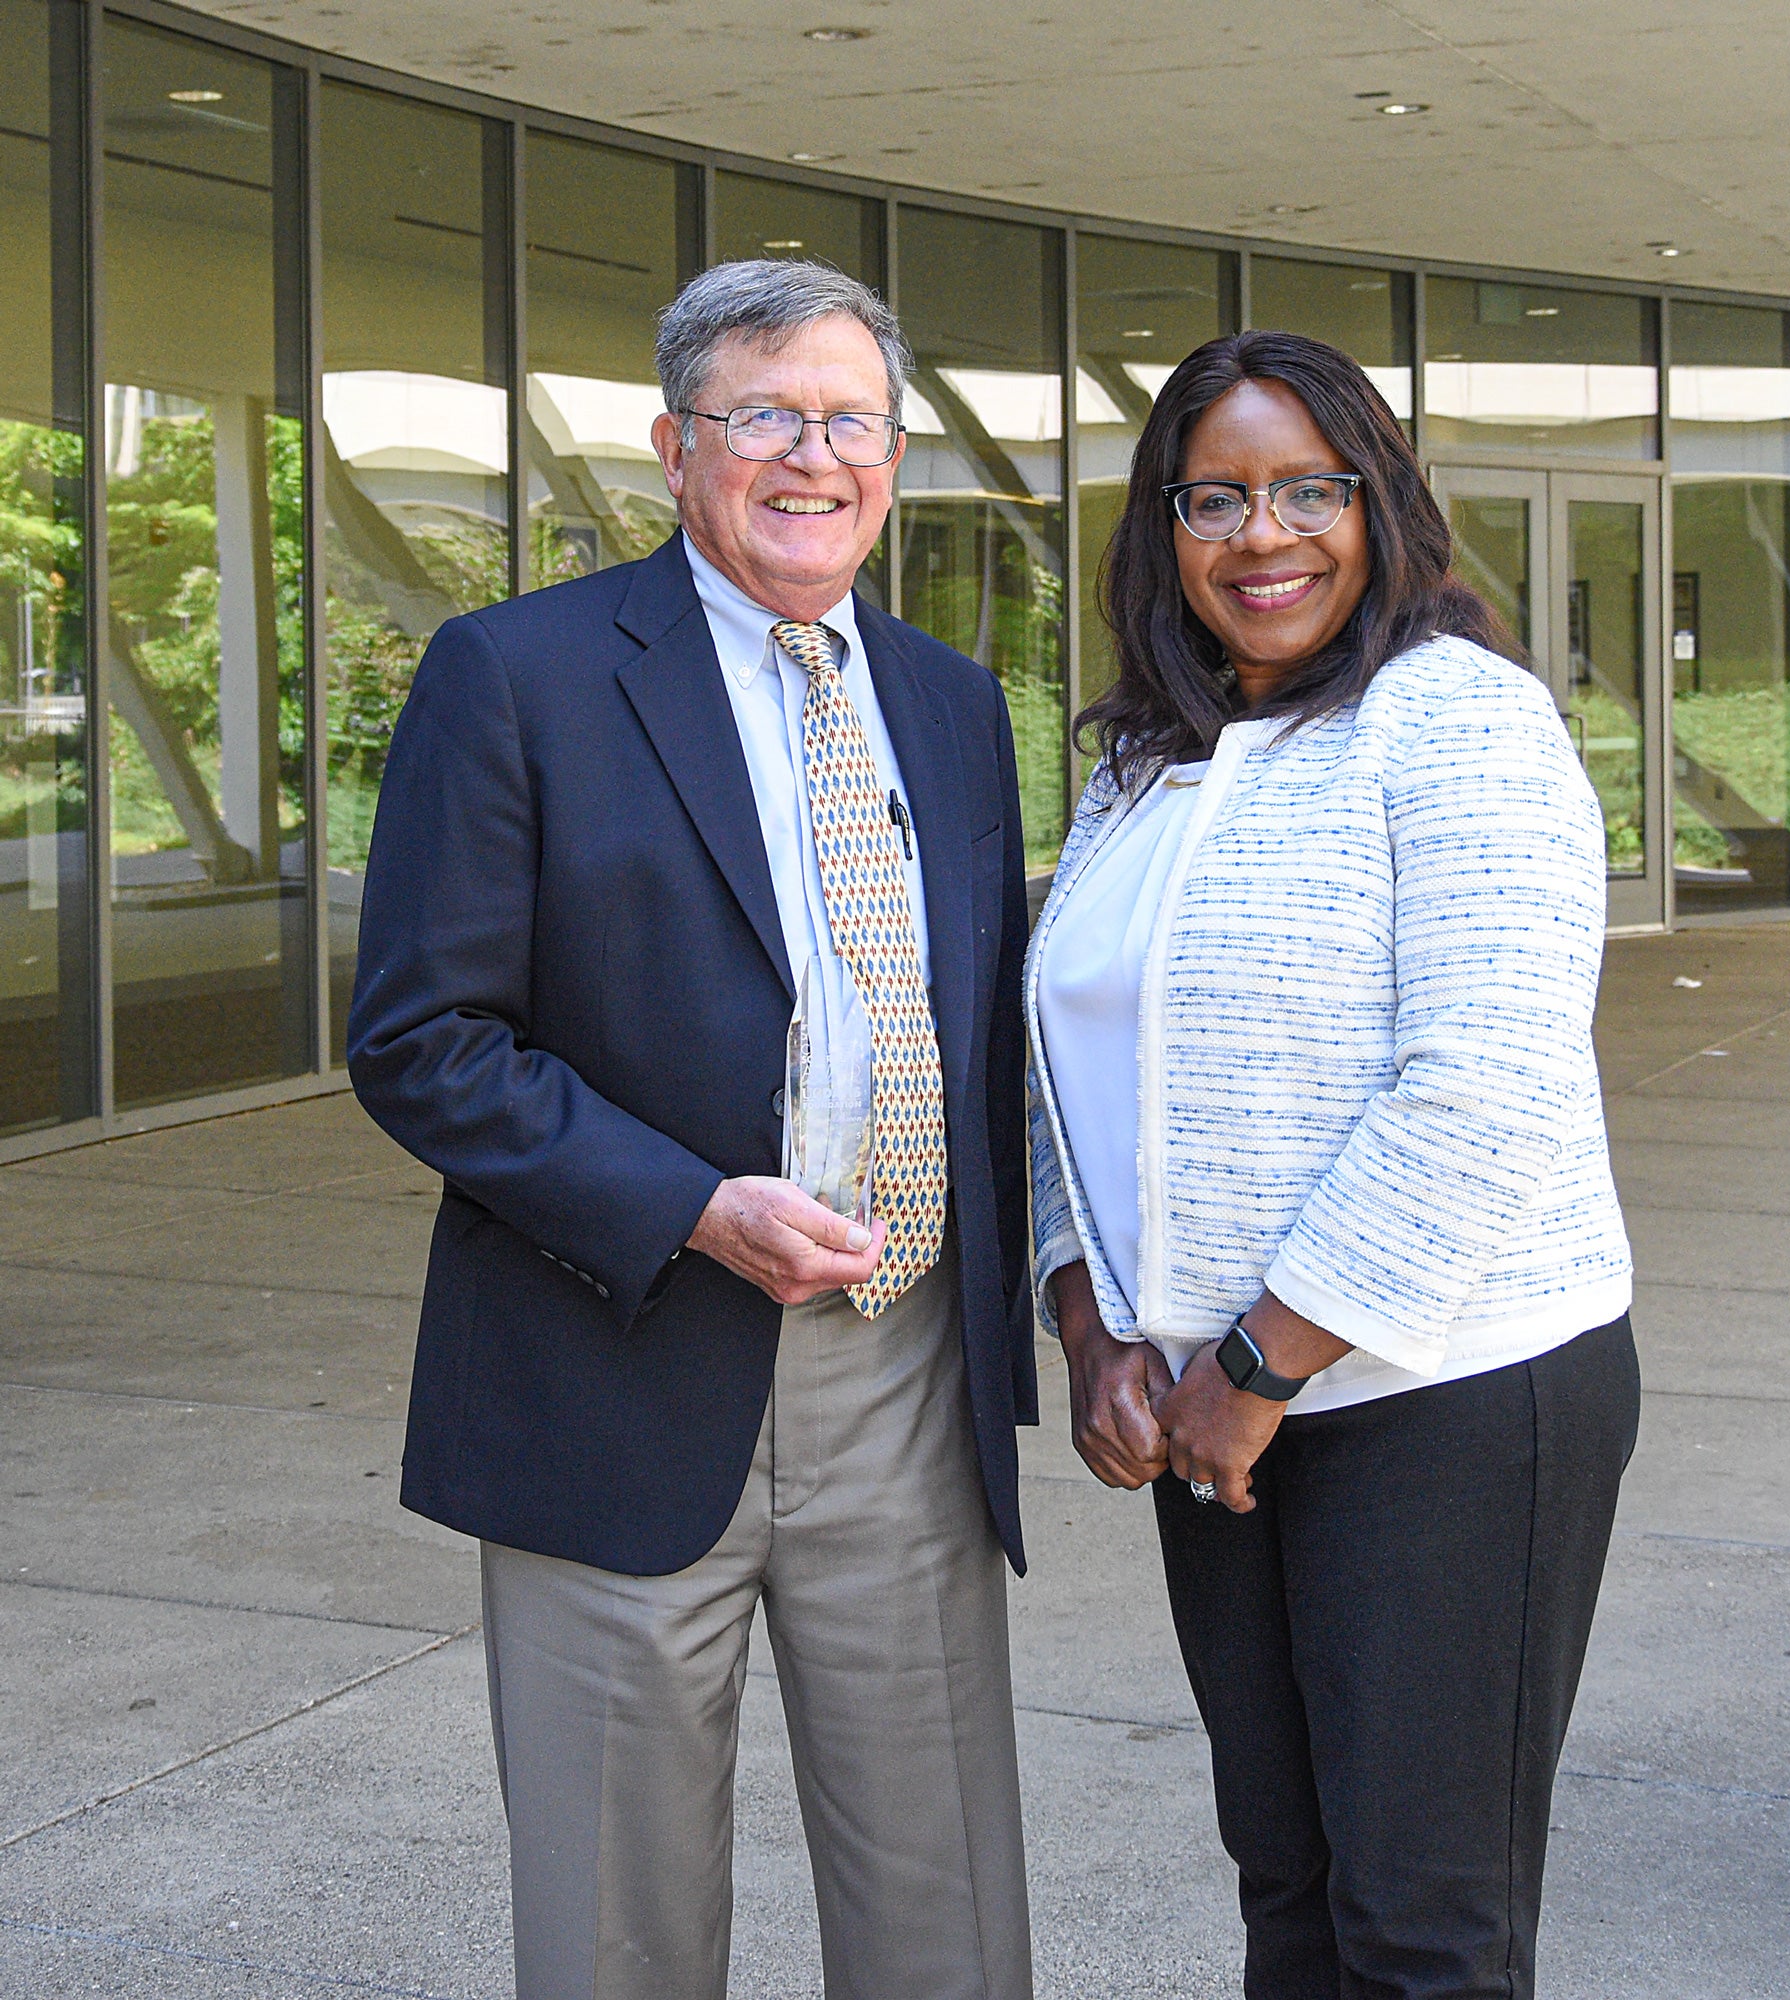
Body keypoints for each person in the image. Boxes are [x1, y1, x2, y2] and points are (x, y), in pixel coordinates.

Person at [349, 260, 1035, 2000]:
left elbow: (989, 1033)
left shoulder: (954, 705)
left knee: (945, 1920)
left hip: (905, 1378)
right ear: (676, 446)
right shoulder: (517, 675)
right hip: (620, 1360)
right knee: (614, 1934)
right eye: (767, 417)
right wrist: (686, 1206)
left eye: (853, 420)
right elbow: (420, 1038)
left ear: (894, 452)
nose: (815, 457)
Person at [1028, 329, 1640, 2000]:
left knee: (1422, 1928)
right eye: (1212, 498)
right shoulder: (1140, 762)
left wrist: (1258, 1361)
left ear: (1380, 504)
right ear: (1163, 530)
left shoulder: (1458, 724)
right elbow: (1063, 1069)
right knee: (1288, 1886)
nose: (1262, 535)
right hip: (1218, 1405)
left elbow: (1484, 1082)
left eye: (1309, 489)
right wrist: (1090, 1329)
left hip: (1447, 1391)